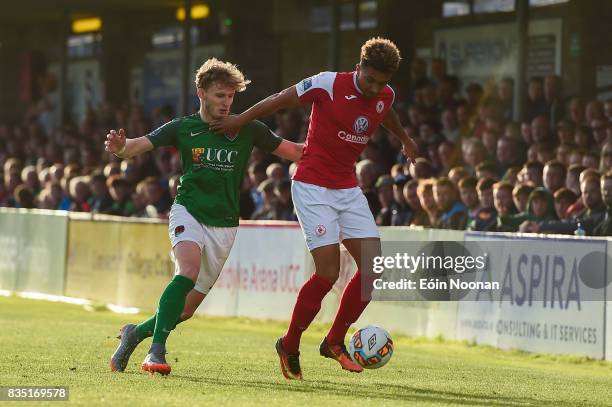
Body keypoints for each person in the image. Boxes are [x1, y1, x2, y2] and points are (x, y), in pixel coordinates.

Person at [211, 37, 418, 380]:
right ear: (359, 67)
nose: (375, 88)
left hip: (347, 188)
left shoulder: (385, 95)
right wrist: (239, 121)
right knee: (328, 272)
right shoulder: (327, 83)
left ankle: (334, 341)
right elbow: (279, 100)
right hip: (312, 186)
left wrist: (404, 137)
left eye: (382, 83)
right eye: (370, 80)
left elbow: (386, 111)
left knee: (373, 268)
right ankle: (289, 344)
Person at [106, 58, 303, 375]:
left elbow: (294, 152)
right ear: (201, 93)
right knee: (187, 270)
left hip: (224, 224)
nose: (226, 103)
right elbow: (132, 148)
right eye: (219, 96)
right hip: (189, 211)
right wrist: (119, 148)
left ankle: (134, 333)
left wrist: (336, 147)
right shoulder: (183, 128)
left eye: (230, 97)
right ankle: (156, 353)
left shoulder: (248, 129)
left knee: (185, 310)